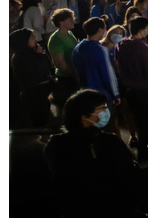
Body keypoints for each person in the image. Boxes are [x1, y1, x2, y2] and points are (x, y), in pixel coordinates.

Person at [43, 90, 140, 218]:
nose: (106, 112)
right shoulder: (108, 142)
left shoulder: (55, 144)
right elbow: (128, 178)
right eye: (102, 108)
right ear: (84, 116)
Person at [116, 17, 148, 156]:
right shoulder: (144, 49)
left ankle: (144, 150)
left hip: (128, 89)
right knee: (145, 123)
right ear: (142, 30)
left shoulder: (121, 44)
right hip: (143, 90)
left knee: (137, 118)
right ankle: (143, 155)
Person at [72, 18, 122, 129]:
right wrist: (116, 94)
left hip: (84, 93)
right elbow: (108, 75)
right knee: (107, 126)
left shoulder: (78, 48)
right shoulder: (100, 49)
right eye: (104, 27)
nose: (105, 30)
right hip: (102, 96)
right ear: (99, 30)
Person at [9, 28, 52, 127]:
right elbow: (41, 71)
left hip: (39, 94)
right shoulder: (21, 57)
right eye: (32, 38)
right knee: (37, 123)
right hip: (34, 96)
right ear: (23, 41)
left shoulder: (29, 54)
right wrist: (41, 55)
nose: (35, 39)